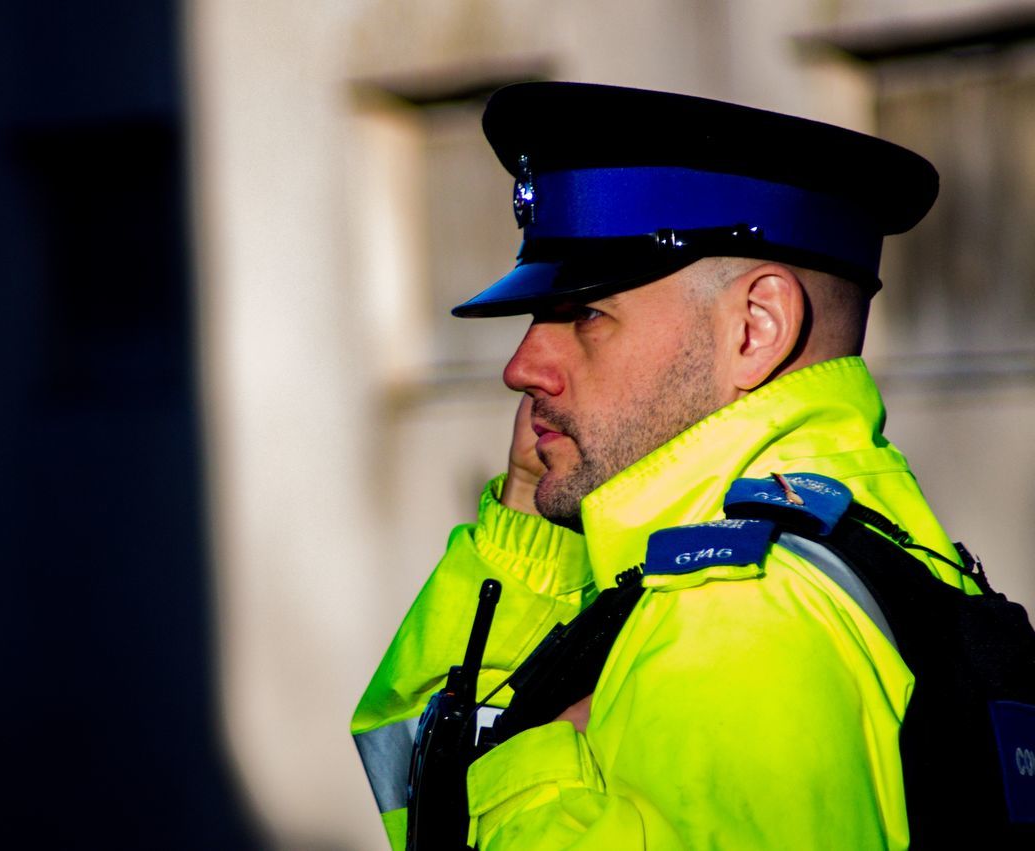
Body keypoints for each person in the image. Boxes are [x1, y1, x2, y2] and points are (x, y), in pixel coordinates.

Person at [351, 82, 982, 850]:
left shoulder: (736, 624)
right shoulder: (852, 542)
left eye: (586, 313)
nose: (521, 367)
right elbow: (417, 781)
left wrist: (523, 769)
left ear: (755, 328)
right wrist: (531, 545)